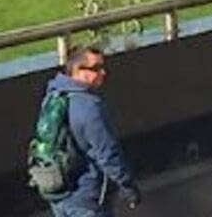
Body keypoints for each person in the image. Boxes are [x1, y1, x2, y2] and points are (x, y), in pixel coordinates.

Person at [41, 45, 140, 215]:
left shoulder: (53, 97)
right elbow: (107, 154)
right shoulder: (90, 107)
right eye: (96, 68)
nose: (103, 73)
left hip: (59, 195)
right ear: (78, 70)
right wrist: (128, 187)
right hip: (87, 197)